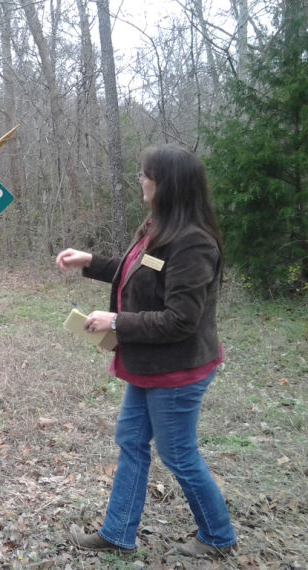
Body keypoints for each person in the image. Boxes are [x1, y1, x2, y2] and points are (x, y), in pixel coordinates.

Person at [55, 144, 236, 557]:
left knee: (178, 454)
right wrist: (90, 261)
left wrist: (117, 321)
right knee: (131, 441)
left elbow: (181, 319)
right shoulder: (160, 226)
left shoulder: (193, 243)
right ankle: (118, 534)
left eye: (146, 174)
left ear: (166, 183)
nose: (141, 179)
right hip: (149, 365)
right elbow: (137, 269)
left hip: (177, 370)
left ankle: (218, 536)